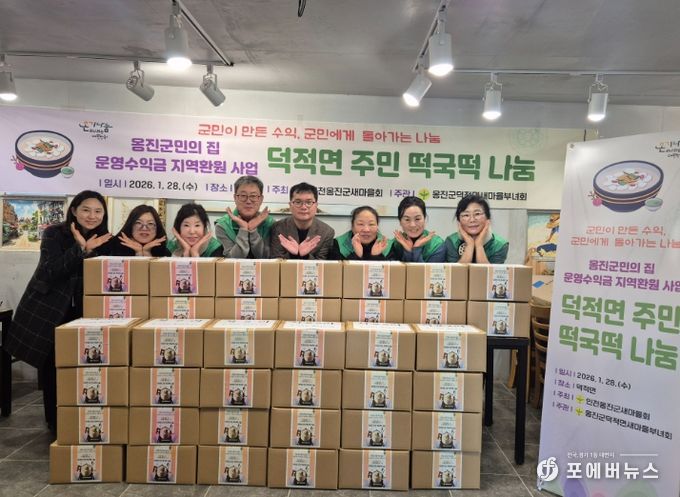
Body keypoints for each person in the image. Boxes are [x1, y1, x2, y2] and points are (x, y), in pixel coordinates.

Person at [5, 190, 112, 433]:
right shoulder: (54, 233)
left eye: (98, 211)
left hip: (85, 312)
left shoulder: (105, 238)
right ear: (74, 210)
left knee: (85, 366)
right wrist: (81, 248)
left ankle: (82, 418)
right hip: (51, 310)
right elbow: (50, 271)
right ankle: (54, 421)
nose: (92, 216)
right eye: (86, 210)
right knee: (53, 366)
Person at [269, 182, 335, 259]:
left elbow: (321, 263)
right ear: (290, 205)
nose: (303, 207)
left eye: (309, 202)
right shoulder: (278, 228)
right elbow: (276, 261)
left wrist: (306, 256)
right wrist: (292, 254)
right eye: (298, 202)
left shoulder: (326, 232)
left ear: (316, 205)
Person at [214, 175, 274, 258]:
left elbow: (267, 258)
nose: (248, 201)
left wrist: (253, 231)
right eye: (243, 196)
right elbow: (231, 260)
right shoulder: (223, 225)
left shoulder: (270, 224)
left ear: (261, 199)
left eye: (253, 196)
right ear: (235, 198)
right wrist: (243, 230)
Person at [445, 194, 509, 263]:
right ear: (459, 221)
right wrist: (469, 245)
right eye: (466, 215)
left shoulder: (500, 245)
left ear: (488, 218)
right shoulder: (452, 241)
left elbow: (488, 270)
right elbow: (456, 270)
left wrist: (479, 245)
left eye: (477, 214)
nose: (472, 220)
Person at [389, 196, 445, 262]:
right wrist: (408, 251)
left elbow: (429, 269)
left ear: (424, 219)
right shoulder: (396, 244)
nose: (412, 225)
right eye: (407, 219)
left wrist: (417, 249)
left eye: (417, 219)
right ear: (400, 222)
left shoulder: (437, 245)